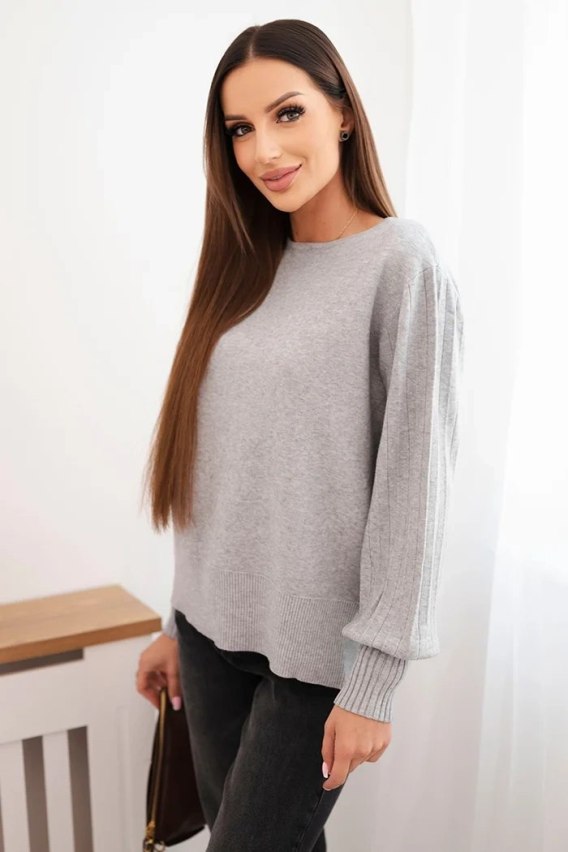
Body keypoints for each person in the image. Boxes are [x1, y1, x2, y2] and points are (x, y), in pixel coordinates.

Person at [135, 17, 465, 852]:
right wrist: (175, 622)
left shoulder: (402, 262)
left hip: (317, 660)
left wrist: (374, 683)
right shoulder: (246, 263)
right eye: (240, 129)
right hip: (209, 638)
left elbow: (415, 483)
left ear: (342, 112)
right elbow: (217, 469)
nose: (264, 150)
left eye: (287, 113)